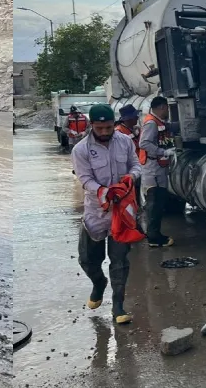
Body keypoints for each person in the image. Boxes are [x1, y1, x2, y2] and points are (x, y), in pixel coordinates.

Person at [72, 104, 141, 324]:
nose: (104, 132)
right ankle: (99, 283)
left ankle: (118, 306)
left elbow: (136, 165)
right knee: (87, 260)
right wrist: (102, 191)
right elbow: (84, 179)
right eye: (100, 128)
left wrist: (131, 177)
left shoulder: (125, 142)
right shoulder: (80, 150)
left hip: (121, 213)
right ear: (92, 125)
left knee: (119, 261)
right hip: (95, 212)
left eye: (108, 127)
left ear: (114, 124)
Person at [139, 95, 177, 247]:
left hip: (158, 167)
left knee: (159, 201)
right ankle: (154, 237)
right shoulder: (151, 124)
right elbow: (144, 143)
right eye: (167, 107)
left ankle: (154, 235)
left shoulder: (159, 122)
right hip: (153, 168)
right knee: (154, 202)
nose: (168, 110)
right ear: (161, 107)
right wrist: (163, 152)